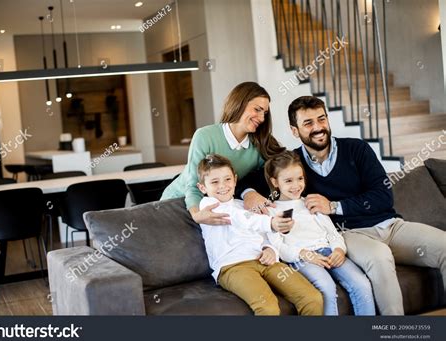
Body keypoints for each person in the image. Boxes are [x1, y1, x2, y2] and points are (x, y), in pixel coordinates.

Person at [240, 95, 446, 315]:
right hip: (351, 234)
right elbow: (245, 181)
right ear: (294, 130)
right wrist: (248, 193)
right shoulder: (293, 164)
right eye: (308, 123)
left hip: (391, 226)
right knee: (379, 257)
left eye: (321, 119)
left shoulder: (357, 149)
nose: (318, 128)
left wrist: (334, 206)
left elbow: (383, 197)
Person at [196, 154, 323, 316]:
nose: (223, 186)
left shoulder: (243, 205)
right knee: (268, 307)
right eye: (214, 182)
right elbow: (239, 218)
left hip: (264, 261)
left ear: (235, 180)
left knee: (312, 297)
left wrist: (270, 249)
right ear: (202, 188)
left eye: (227, 179)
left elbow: (261, 233)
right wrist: (270, 223)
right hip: (233, 267)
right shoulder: (208, 206)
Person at [264, 151, 375, 315]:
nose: (296, 185)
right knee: (326, 287)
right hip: (302, 259)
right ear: (275, 182)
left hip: (328, 251)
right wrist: (306, 255)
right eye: (288, 181)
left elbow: (333, 233)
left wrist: (338, 249)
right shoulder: (272, 211)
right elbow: (278, 246)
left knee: (361, 283)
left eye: (300, 179)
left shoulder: (311, 202)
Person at [160, 81, 285, 225]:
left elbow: (270, 175)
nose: (262, 118)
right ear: (239, 103)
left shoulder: (261, 143)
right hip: (181, 202)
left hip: (217, 205)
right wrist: (196, 214)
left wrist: (249, 193)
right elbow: (194, 183)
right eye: (257, 109)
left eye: (265, 113)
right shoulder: (205, 136)